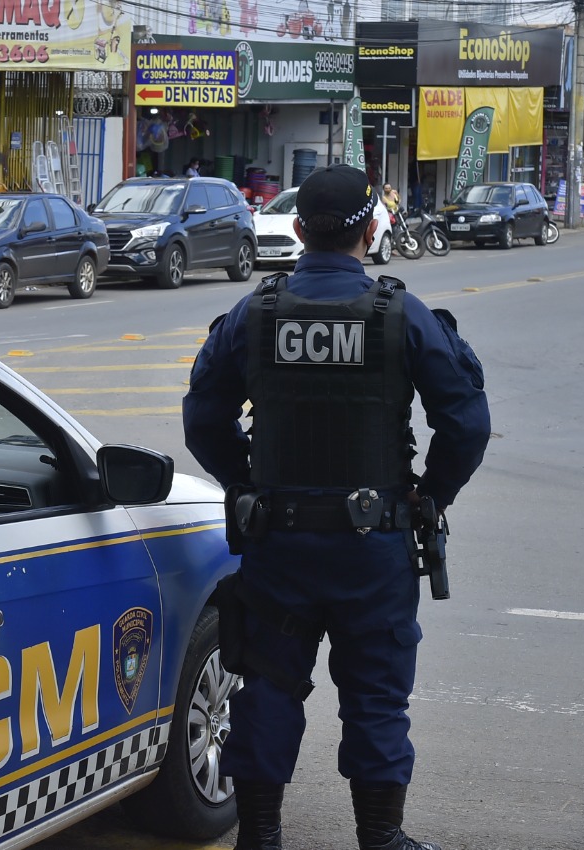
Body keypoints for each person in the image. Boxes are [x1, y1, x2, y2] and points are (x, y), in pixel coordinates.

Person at [182, 165, 490, 850]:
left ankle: (259, 838)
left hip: (278, 546)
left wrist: (247, 482)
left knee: (264, 689)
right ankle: (380, 839)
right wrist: (429, 496)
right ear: (372, 227)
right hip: (371, 547)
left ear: (296, 230)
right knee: (376, 696)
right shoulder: (398, 314)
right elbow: (465, 422)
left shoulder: (253, 315)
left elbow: (204, 420)